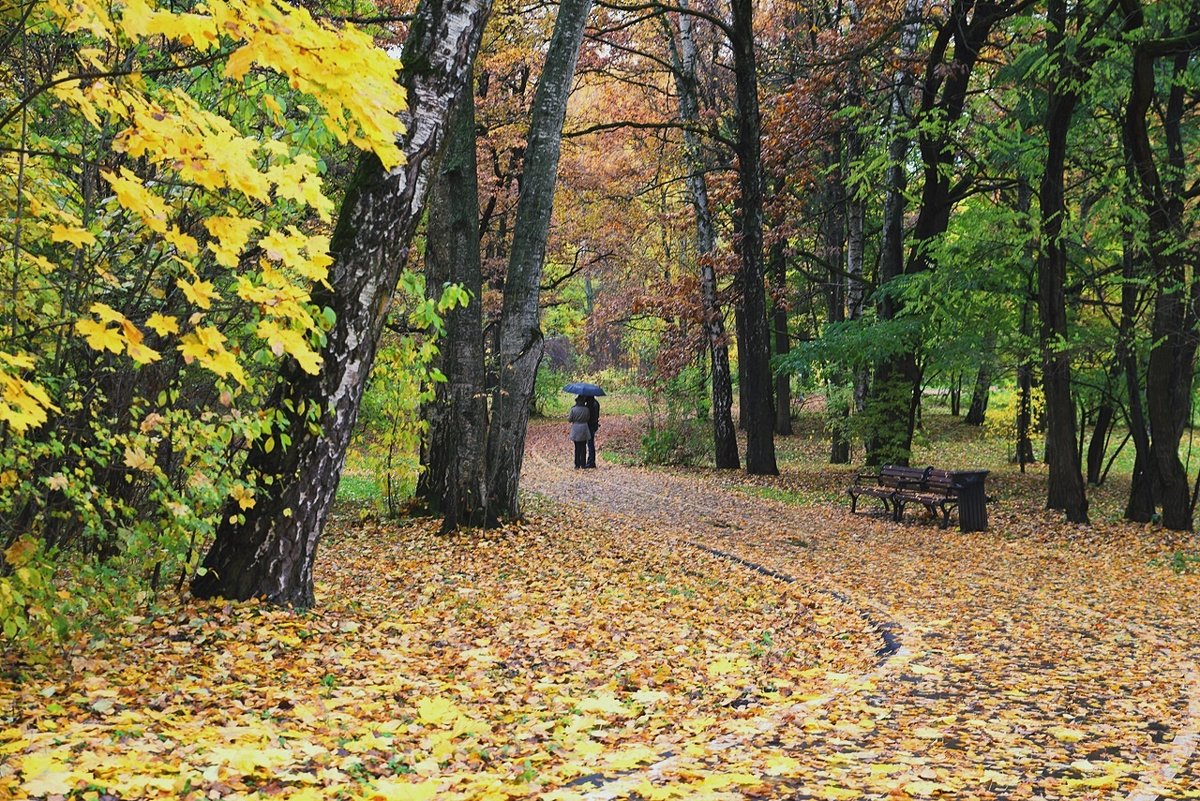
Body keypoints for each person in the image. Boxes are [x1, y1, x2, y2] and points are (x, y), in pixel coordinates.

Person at [568, 395, 591, 469]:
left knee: (577, 447)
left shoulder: (573, 409)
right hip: (584, 428)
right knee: (583, 446)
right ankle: (583, 464)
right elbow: (588, 418)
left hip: (576, 429)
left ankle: (577, 464)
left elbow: (569, 419)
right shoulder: (587, 409)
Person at [583, 395, 600, 468]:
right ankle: (591, 460)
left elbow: (587, 416)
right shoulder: (596, 403)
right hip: (594, 424)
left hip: (590, 425)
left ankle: (591, 461)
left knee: (590, 444)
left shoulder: (589, 405)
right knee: (590, 443)